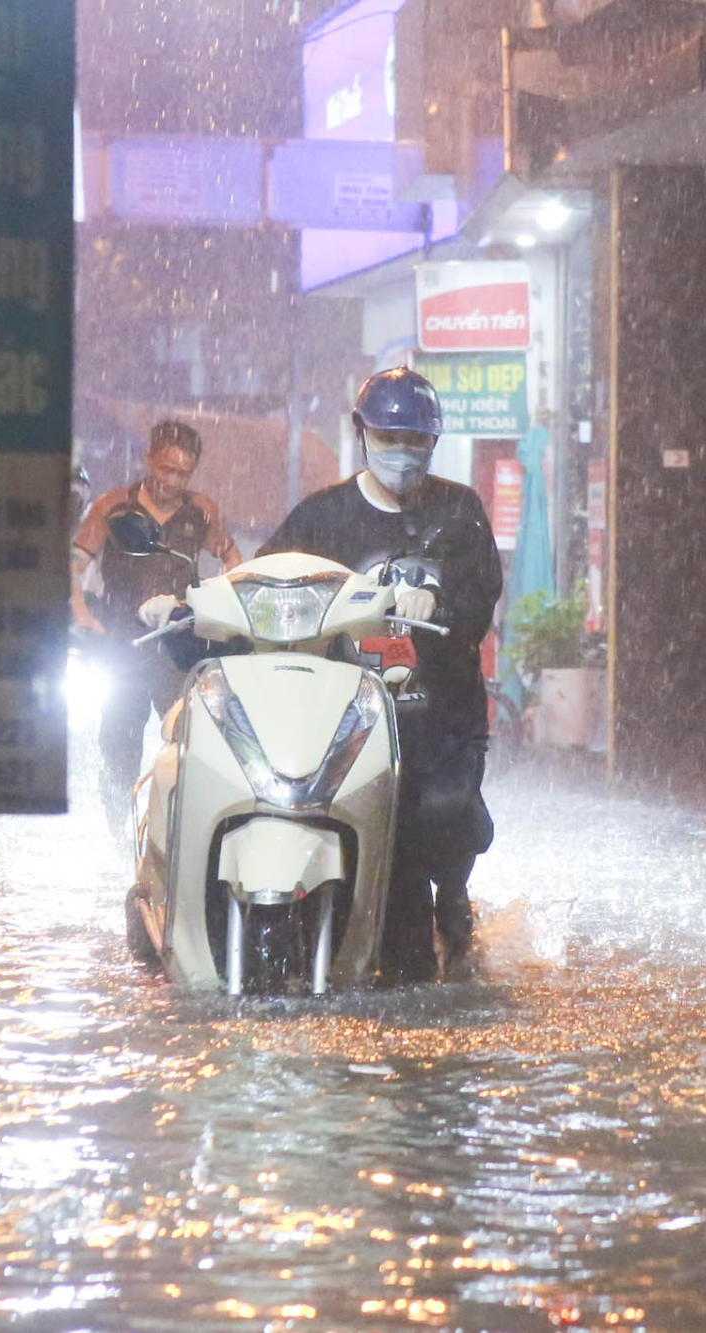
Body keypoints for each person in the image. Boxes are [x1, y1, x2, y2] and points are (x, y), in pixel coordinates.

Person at [260, 367, 503, 984]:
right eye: (389, 437)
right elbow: (268, 583)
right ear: (361, 434)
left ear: (434, 443)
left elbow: (479, 600)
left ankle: (451, 901)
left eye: (416, 440)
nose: (403, 452)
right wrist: (196, 603)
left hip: (441, 728)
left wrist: (437, 604)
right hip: (351, 727)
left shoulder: (460, 512)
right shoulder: (320, 521)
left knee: (443, 816)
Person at [71, 420, 241, 834]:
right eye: (165, 469)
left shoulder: (200, 513)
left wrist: (221, 608)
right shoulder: (113, 507)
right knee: (117, 748)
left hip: (178, 650)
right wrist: (82, 612)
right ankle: (118, 835)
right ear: (149, 460)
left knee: (191, 744)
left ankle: (179, 836)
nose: (172, 481)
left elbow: (232, 560)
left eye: (182, 474)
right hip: (122, 647)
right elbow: (75, 564)